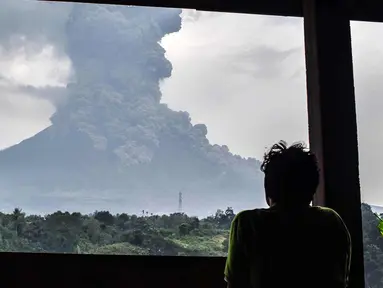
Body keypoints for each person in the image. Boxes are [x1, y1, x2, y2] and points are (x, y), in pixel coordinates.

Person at [224, 140, 351, 288]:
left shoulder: (247, 224)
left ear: (268, 191)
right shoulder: (331, 222)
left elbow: (235, 283)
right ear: (312, 190)